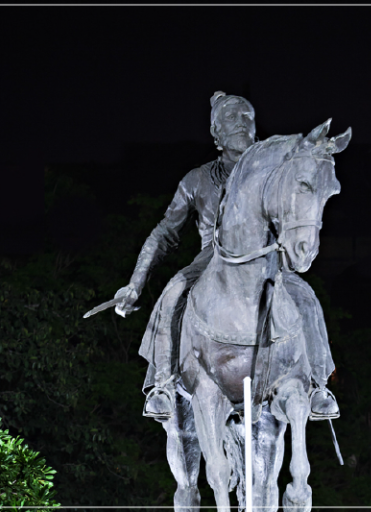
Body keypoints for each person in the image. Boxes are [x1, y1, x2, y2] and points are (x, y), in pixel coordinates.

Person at [114, 91, 340, 421]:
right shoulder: (196, 180)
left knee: (306, 298)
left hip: (266, 260)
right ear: (216, 132)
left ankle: (318, 385)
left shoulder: (275, 171)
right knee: (172, 293)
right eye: (231, 118)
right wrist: (135, 284)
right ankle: (162, 384)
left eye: (247, 117)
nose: (242, 123)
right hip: (211, 259)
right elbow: (164, 232)